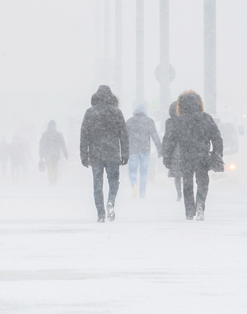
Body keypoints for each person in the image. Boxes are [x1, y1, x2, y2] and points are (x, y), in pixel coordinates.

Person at [162, 91, 223, 221]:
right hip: (202, 155)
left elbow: (170, 141)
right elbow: (217, 137)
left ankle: (189, 211)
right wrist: (217, 153)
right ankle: (200, 205)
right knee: (203, 181)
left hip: (186, 156)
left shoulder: (179, 121)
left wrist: (167, 158)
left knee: (187, 183)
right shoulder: (206, 118)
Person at [80, 85, 129, 222]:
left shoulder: (90, 113)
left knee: (97, 183)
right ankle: (111, 201)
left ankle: (100, 214)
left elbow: (84, 136)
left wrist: (84, 155)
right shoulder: (116, 112)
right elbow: (123, 135)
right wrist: (125, 153)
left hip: (95, 154)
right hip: (112, 152)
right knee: (113, 181)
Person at [126, 103, 162, 199]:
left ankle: (134, 184)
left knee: (132, 171)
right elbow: (155, 136)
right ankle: (142, 193)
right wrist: (160, 150)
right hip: (145, 150)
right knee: (144, 172)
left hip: (133, 150)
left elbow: (124, 137)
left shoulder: (129, 122)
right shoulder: (149, 121)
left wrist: (123, 150)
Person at [39, 120, 68, 185]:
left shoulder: (45, 134)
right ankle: (54, 182)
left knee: (50, 169)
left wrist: (41, 155)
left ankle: (51, 182)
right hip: (55, 154)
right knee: (55, 168)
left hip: (47, 154)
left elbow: (41, 145)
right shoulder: (58, 134)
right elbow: (62, 144)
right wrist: (65, 153)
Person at [164, 101, 182, 202]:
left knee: (177, 175)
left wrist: (165, 152)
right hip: (186, 149)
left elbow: (167, 137)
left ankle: (179, 193)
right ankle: (187, 192)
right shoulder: (186, 120)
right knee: (187, 173)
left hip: (174, 150)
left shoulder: (170, 122)